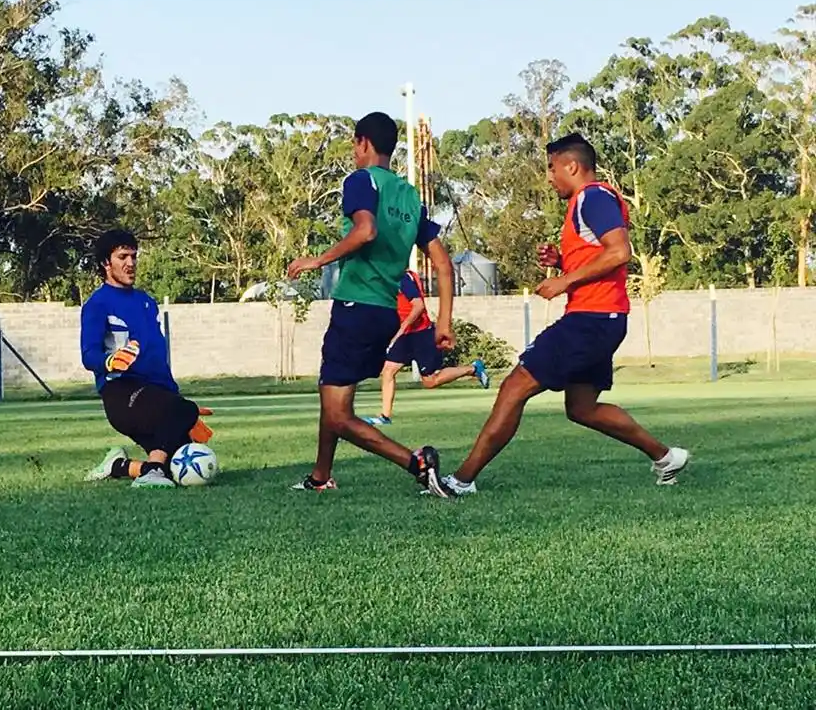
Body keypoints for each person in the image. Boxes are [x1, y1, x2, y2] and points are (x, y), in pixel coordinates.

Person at [426, 133, 689, 498]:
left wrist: (564, 280)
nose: (549, 177)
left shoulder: (592, 197)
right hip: (604, 319)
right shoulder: (591, 201)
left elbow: (619, 253)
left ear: (572, 166)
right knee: (582, 409)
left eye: (551, 169)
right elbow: (600, 255)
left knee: (513, 388)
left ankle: (460, 481)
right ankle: (666, 457)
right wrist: (562, 261)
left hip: (590, 320)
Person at [286, 111, 455, 493]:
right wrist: (444, 323)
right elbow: (444, 265)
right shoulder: (410, 196)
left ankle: (416, 463)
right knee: (331, 394)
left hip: (355, 307)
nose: (353, 152)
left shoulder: (361, 180)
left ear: (363, 143)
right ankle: (320, 476)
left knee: (338, 413)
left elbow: (365, 231)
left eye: (353, 145)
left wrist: (318, 260)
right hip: (383, 313)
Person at [79, 228, 214, 488]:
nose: (130, 263)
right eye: (122, 257)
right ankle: (151, 475)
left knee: (180, 465)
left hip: (155, 395)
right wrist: (109, 361)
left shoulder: (146, 302)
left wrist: (180, 408)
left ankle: (118, 466)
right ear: (105, 263)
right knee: (183, 409)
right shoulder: (97, 304)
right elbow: (88, 355)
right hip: (121, 394)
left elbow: (156, 357)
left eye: (134, 257)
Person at [362, 268, 490, 427]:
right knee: (388, 371)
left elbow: (418, 306)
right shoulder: (385, 278)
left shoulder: (403, 278)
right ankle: (385, 417)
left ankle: (472, 368)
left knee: (429, 381)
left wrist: (402, 328)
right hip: (404, 335)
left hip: (421, 334)